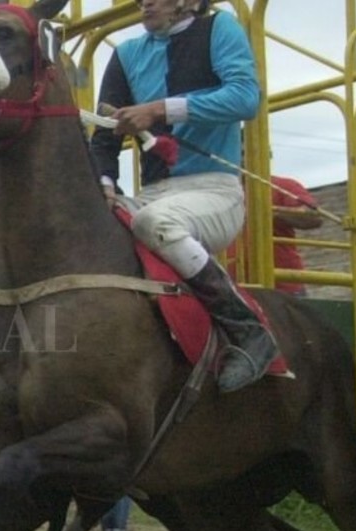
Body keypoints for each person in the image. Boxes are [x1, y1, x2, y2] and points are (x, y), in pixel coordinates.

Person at [87, 0, 271, 393]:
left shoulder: (220, 27)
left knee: (154, 223)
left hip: (214, 191)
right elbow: (105, 133)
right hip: (151, 195)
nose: (144, 3)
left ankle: (249, 332)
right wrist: (104, 183)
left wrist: (157, 110)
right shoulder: (126, 54)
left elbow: (245, 98)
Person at [269, 175, 323, 296]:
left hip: (282, 287)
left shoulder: (282, 185)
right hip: (229, 287)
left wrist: (273, 212)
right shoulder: (220, 192)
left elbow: (313, 217)